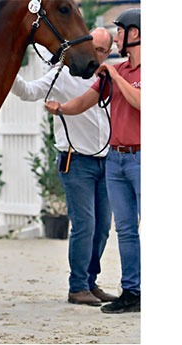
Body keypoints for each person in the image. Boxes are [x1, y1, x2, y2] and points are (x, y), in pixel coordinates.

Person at [11, 27, 117, 306]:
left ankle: (90, 282)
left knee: (103, 227)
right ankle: (77, 286)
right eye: (91, 47)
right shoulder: (63, 73)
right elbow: (30, 91)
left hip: (106, 160)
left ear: (107, 54)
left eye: (100, 51)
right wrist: (9, 71)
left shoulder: (109, 75)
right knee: (85, 225)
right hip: (76, 159)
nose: (93, 54)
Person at [45, 8, 141, 314]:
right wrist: (61, 108)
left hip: (142, 158)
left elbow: (141, 103)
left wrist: (112, 73)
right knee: (123, 230)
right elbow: (85, 101)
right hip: (115, 159)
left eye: (120, 32)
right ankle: (131, 290)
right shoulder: (118, 71)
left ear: (134, 34)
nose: (115, 39)